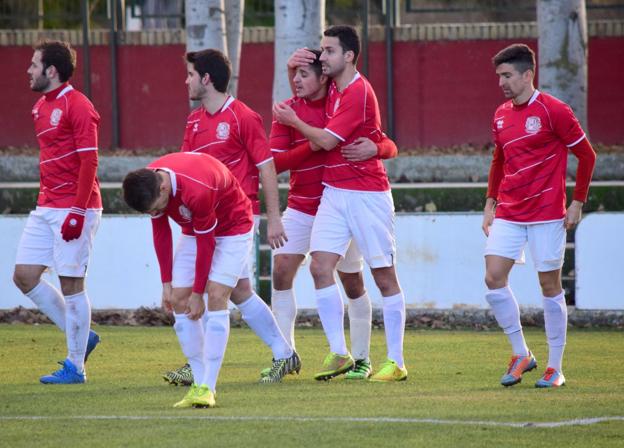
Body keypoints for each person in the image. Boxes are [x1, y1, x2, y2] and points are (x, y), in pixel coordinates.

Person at [273, 26, 407, 382]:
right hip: (334, 192)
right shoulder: (332, 86)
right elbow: (308, 89)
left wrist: (295, 122)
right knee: (320, 267)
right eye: (321, 50)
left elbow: (326, 140)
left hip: (367, 194)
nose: (323, 57)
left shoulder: (358, 92)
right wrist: (291, 70)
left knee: (382, 276)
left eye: (329, 51)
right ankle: (339, 353)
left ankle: (395, 361)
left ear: (348, 56)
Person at [123, 152, 300, 408]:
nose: (159, 211)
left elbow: (207, 245)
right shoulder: (149, 181)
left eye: (158, 206)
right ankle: (201, 379)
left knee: (217, 295)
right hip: (195, 230)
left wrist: (198, 294)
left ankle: (208, 387)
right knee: (181, 299)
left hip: (233, 229)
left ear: (163, 187)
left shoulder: (197, 189)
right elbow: (161, 233)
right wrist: (166, 284)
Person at [162, 49, 294, 386]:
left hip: (236, 219)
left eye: (191, 74)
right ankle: (284, 353)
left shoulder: (242, 117)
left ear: (206, 78)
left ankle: (203, 370)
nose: (186, 80)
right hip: (202, 221)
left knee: (215, 291)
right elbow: (186, 167)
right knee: (240, 292)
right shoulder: (193, 121)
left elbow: (266, 167)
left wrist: (274, 218)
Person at [483, 43, 596, 388]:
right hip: (509, 210)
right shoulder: (501, 113)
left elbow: (587, 155)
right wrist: (490, 202)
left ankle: (555, 367)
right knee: (493, 278)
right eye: (499, 76)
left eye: (507, 75)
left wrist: (577, 202)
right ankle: (522, 354)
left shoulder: (553, 111)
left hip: (547, 213)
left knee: (549, 285)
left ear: (528, 74)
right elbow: (499, 160)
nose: (501, 82)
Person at [13, 39, 101, 384]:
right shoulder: (39, 108)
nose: (29, 70)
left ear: (51, 70)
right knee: (24, 276)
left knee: (71, 283)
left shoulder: (79, 105)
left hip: (74, 208)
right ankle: (81, 334)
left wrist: (78, 211)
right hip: (46, 206)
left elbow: (89, 160)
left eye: (34, 65)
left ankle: (76, 367)